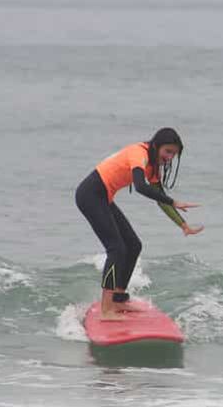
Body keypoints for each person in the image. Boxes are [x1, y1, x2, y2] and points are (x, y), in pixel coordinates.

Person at [75, 127, 203, 320]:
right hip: (90, 195)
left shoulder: (153, 166)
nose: (169, 157)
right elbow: (140, 186)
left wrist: (183, 225)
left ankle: (118, 298)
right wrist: (173, 201)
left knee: (134, 245)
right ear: (156, 145)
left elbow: (161, 199)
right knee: (116, 249)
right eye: (167, 151)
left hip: (104, 197)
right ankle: (106, 309)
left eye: (173, 154)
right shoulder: (139, 154)